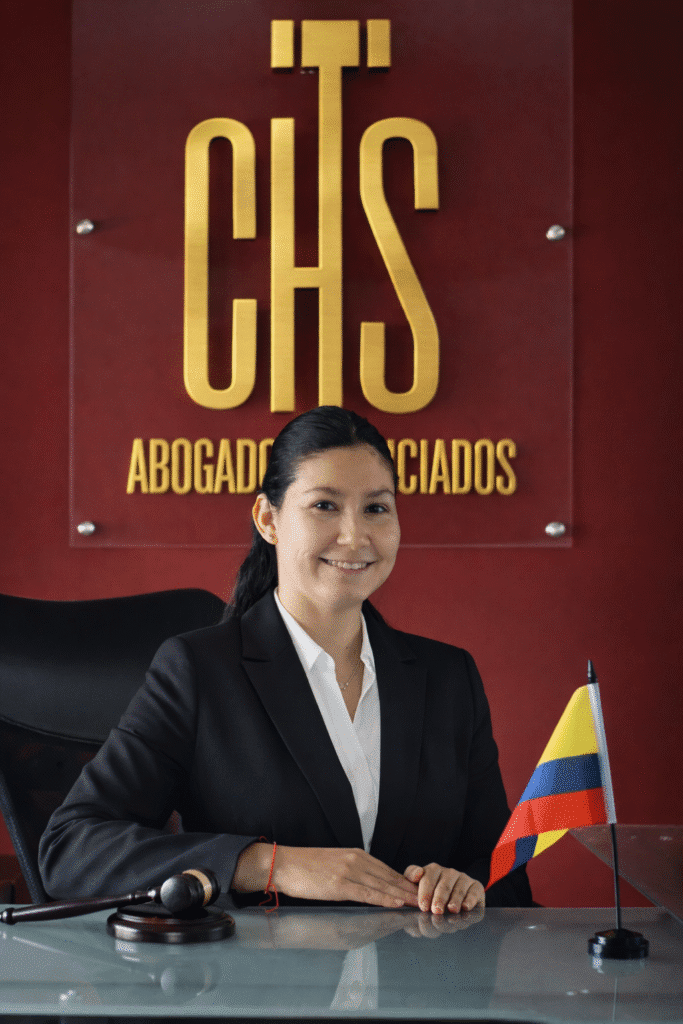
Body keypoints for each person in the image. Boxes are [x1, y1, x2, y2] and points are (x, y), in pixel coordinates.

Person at [39, 407, 531, 912]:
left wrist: (469, 884)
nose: (355, 535)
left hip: (419, 964)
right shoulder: (199, 671)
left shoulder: (449, 677)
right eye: (324, 506)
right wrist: (272, 865)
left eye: (376, 508)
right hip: (263, 963)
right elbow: (71, 850)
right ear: (268, 519)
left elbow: (505, 876)